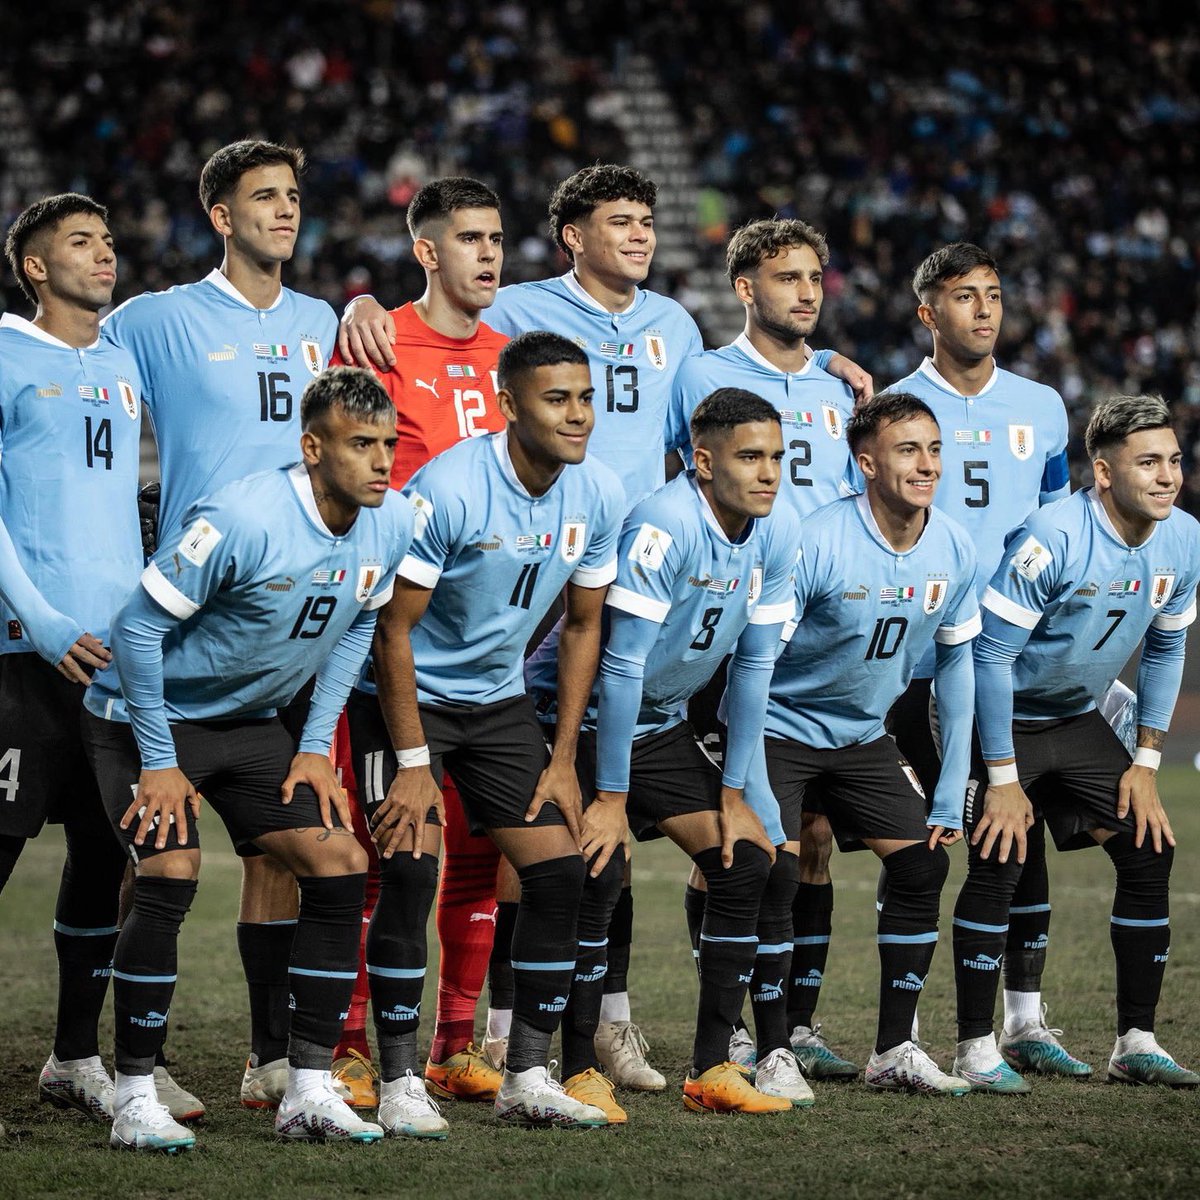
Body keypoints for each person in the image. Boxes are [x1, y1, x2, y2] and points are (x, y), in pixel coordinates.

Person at [80, 366, 413, 1150]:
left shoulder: (394, 519)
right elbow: (135, 632)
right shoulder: (240, 516)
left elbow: (360, 625)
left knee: (338, 860)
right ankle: (132, 1095)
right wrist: (160, 761)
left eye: (388, 445)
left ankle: (306, 1086)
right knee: (169, 870)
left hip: (252, 723)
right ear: (312, 447)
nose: (380, 461)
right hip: (143, 716)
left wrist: (312, 748)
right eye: (361, 445)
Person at [102, 139, 340, 1112]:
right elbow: (66, 353)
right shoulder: (155, 320)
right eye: (264, 198)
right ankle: (122, 1053)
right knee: (156, 848)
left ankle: (268, 1055)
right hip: (187, 619)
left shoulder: (325, 318)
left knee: (274, 851)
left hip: (287, 626)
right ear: (220, 215)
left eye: (292, 196)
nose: (285, 211)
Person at [352, 331, 625, 1129]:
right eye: (556, 399)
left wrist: (565, 756)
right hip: (405, 700)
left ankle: (526, 1079)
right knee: (407, 871)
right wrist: (410, 762)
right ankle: (402, 1081)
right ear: (508, 404)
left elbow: (582, 628)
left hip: (499, 704)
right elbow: (391, 631)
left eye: (584, 397)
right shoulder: (452, 487)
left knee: (560, 872)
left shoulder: (598, 491)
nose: (577, 415)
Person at [526, 387, 802, 1115]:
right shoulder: (663, 523)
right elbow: (617, 666)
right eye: (750, 456)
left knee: (745, 863)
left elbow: (753, 670)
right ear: (703, 462)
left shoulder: (777, 531)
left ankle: (713, 1067)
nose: (769, 472)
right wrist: (611, 801)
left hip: (660, 725)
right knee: (599, 872)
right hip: (576, 721)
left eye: (777, 456)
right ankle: (580, 1065)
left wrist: (735, 792)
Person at [875, 242, 1083, 1074]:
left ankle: (1024, 1023)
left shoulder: (1043, 405)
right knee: (921, 843)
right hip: (919, 664)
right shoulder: (893, 404)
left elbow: (1066, 528)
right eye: (965, 297)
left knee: (1015, 832)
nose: (985, 310)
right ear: (929, 314)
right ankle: (907, 1032)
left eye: (994, 294)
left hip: (1015, 662)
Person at [329, 177, 511, 1105]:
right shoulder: (377, 339)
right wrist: (357, 303)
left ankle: (454, 1041)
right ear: (429, 251)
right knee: (385, 847)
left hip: (486, 651)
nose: (489, 254)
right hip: (389, 644)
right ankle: (353, 1044)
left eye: (497, 238)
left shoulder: (514, 353)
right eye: (470, 239)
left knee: (479, 850)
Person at [666, 217, 861, 1080]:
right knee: (740, 833)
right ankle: (737, 1026)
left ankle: (799, 1022)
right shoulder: (703, 373)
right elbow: (683, 479)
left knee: (813, 835)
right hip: (740, 631)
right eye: (788, 278)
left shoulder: (840, 385)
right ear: (746, 289)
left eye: (816, 277)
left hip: (827, 638)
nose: (808, 292)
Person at [961, 393, 1200, 1089]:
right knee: (1000, 857)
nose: (1167, 476)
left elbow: (1165, 647)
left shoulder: (1183, 537)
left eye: (1175, 461)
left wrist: (1147, 761)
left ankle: (1136, 1042)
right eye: (1148, 462)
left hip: (1075, 717)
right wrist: (1002, 778)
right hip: (997, 716)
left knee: (1149, 848)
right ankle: (977, 1047)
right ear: (1102, 472)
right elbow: (990, 658)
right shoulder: (1052, 538)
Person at [748, 392, 979, 1095]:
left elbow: (959, 664)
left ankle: (894, 1049)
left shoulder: (955, 545)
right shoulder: (817, 540)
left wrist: (952, 780)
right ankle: (770, 1047)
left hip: (860, 738)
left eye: (934, 449)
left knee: (922, 867)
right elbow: (755, 663)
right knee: (774, 873)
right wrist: (748, 775)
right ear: (866, 462)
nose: (927, 464)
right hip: (778, 727)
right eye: (908, 450)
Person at [0, 194, 143, 1122]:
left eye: (108, 240)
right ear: (37, 268)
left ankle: (72, 1057)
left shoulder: (125, 361)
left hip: (114, 662)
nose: (105, 254)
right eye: (80, 243)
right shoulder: (6, 352)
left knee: (102, 855)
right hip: (19, 657)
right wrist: (42, 621)